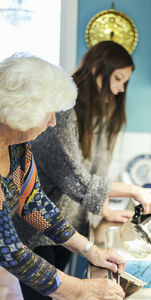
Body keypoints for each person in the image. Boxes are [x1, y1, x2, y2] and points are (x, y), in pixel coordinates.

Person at [0, 53, 127, 300]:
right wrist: (81, 289)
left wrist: (90, 250)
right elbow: (9, 251)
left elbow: (34, 202)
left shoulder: (18, 145)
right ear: (21, 111)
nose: (52, 122)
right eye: (48, 113)